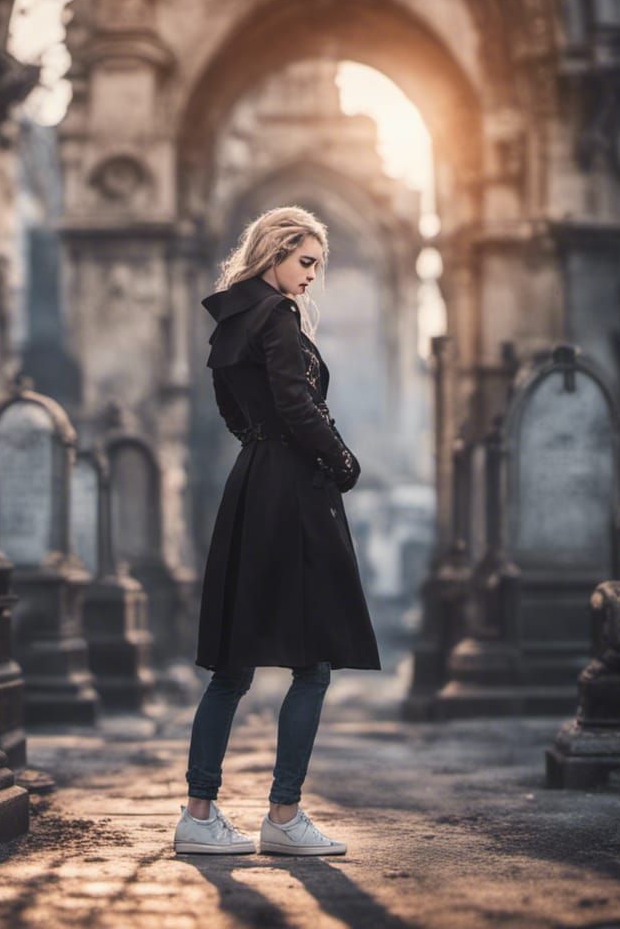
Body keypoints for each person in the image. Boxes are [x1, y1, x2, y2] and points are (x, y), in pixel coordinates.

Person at [173, 205, 381, 857]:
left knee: (232, 670)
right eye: (307, 261)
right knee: (312, 663)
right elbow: (298, 402)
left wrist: (261, 448)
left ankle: (198, 814)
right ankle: (284, 817)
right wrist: (341, 460)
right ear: (275, 252)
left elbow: (230, 407)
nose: (312, 276)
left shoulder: (233, 317)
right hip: (292, 492)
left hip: (250, 486)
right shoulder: (279, 315)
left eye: (318, 264)